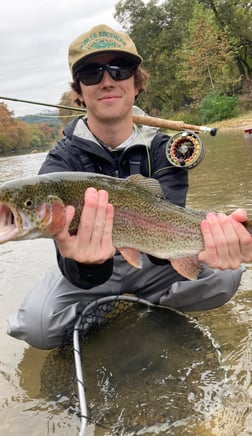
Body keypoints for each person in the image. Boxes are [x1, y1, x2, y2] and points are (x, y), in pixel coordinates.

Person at [7, 24, 252, 349]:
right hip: (90, 272)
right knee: (35, 326)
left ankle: (151, 300)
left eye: (119, 70)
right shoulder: (58, 164)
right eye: (91, 73)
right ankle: (108, 300)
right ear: (78, 91)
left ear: (136, 83)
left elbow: (170, 224)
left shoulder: (168, 149)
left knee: (226, 278)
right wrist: (86, 267)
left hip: (154, 257)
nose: (107, 80)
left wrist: (220, 242)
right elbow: (67, 262)